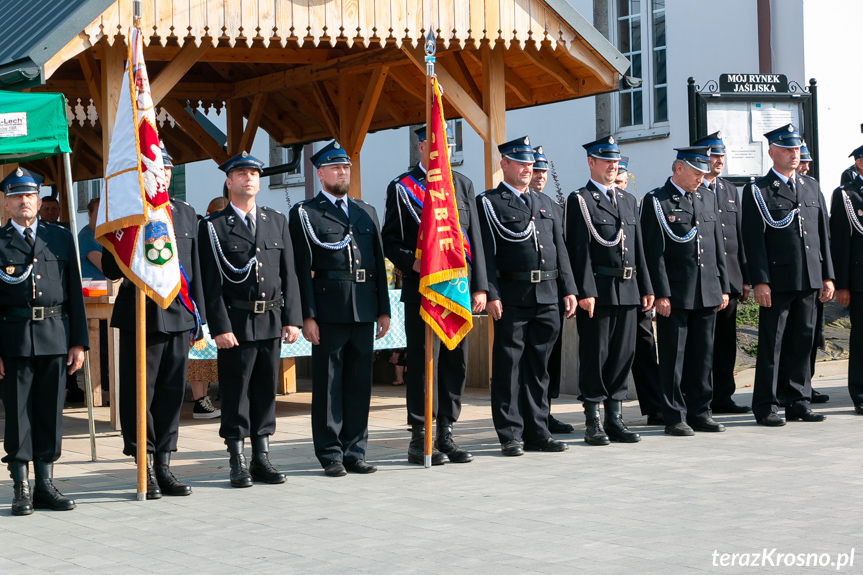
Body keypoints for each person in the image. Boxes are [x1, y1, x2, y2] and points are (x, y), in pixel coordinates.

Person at [102, 145, 206, 499]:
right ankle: (143, 462)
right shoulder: (132, 211)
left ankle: (164, 464)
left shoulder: (187, 213)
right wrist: (122, 224)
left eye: (165, 169)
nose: (160, 174)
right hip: (140, 316)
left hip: (178, 315)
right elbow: (109, 267)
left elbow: (196, 273)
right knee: (138, 395)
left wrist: (198, 319)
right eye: (154, 168)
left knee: (171, 394)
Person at [382, 126, 487, 465]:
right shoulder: (402, 188)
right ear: (423, 146)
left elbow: (475, 241)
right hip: (423, 291)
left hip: (456, 290)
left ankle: (446, 432)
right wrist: (414, 263)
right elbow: (390, 240)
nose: (445, 147)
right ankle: (419, 435)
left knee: (456, 363)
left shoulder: (462, 184)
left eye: (449, 141)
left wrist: (480, 285)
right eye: (438, 141)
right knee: (425, 363)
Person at [198, 152, 302, 487]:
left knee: (265, 391)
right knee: (236, 392)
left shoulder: (275, 220)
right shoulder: (213, 227)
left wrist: (292, 319)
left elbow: (290, 275)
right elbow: (209, 283)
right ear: (229, 182)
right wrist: (220, 327)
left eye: (254, 174)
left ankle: (262, 458)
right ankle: (237, 460)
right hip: (237, 322)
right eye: (242, 174)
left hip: (270, 318)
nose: (249, 179)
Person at [289, 141, 390, 477]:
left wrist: (384, 309)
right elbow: (301, 269)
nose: (342, 172)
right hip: (329, 309)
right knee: (329, 384)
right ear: (320, 174)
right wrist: (307, 315)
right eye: (335, 168)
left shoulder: (366, 211)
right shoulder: (306, 213)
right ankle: (331, 453)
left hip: (364, 308)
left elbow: (377, 261)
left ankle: (355, 450)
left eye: (345, 167)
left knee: (360, 383)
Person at [477, 136, 577, 456]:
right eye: (519, 163)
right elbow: (484, 254)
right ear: (504, 164)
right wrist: (490, 292)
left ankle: (538, 431)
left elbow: (561, 250)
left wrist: (569, 290)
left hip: (547, 295)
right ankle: (510, 434)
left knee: (539, 369)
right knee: (509, 369)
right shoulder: (489, 203)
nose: (526, 168)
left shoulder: (546, 203)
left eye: (529, 164)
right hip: (512, 295)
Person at [0, 168, 87, 515]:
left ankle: (45, 484)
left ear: (38, 200)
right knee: (18, 413)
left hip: (55, 336)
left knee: (51, 411)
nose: (25, 201)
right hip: (14, 339)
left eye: (30, 195)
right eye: (17, 196)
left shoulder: (60, 238)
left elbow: (74, 293)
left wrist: (78, 341)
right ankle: (20, 487)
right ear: (6, 204)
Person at [741, 124, 834, 426]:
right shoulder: (758, 191)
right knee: (772, 345)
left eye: (796, 149)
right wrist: (760, 280)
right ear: (771, 153)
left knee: (802, 342)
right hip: (777, 282)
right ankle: (766, 405)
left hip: (809, 277)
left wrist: (828, 276)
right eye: (787, 149)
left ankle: (798, 401)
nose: (794, 154)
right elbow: (753, 241)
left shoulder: (810, 186)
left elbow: (823, 235)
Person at [566, 136, 654, 445]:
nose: (612, 164)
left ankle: (615, 418)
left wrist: (646, 286)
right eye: (606, 160)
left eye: (615, 160)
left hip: (628, 289)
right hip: (599, 291)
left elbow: (638, 247)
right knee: (596, 355)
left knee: (622, 355)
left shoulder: (628, 200)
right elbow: (579, 251)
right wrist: (585, 291)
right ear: (591, 162)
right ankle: (593, 420)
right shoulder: (580, 200)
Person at [640, 147, 730, 436]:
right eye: (696, 172)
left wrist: (723, 286)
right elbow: (654, 252)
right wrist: (661, 293)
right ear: (679, 168)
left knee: (703, 356)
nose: (700, 178)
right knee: (673, 357)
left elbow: (717, 246)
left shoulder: (706, 196)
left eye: (703, 173)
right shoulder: (657, 201)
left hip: (707, 289)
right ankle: (674, 415)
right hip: (676, 294)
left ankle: (701, 411)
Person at [693, 131, 751, 414]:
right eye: (713, 155)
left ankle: (723, 397)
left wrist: (746, 278)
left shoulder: (729, 190)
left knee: (726, 341)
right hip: (704, 279)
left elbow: (738, 236)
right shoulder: (693, 188)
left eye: (721, 155)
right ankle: (700, 396)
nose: (719, 160)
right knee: (703, 343)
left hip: (730, 277)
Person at [530, 146, 574, 434]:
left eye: (544, 171)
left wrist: (569, 290)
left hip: (553, 292)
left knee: (551, 358)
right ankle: (529, 415)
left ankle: (546, 411)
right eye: (536, 170)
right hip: (524, 293)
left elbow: (563, 251)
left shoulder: (554, 206)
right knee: (529, 361)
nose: (541, 176)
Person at [618, 159, 665, 425]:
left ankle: (654, 406)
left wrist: (651, 290)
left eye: (623, 183)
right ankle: (609, 412)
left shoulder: (635, 208)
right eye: (615, 183)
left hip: (637, 292)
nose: (619, 187)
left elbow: (647, 254)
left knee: (645, 349)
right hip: (611, 292)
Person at [185, 196, 230, 420]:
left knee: (206, 356)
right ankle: (200, 400)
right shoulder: (202, 231)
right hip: (200, 300)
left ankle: (204, 398)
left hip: (212, 299)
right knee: (199, 354)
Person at [830, 144, 863, 414]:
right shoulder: (847, 196)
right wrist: (842, 284)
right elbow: (841, 243)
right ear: (860, 163)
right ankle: (861, 394)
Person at [78, 198, 105, 280]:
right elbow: (104, 267)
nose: (103, 216)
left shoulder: (104, 235)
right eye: (99, 212)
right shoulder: (86, 237)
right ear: (90, 214)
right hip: (95, 289)